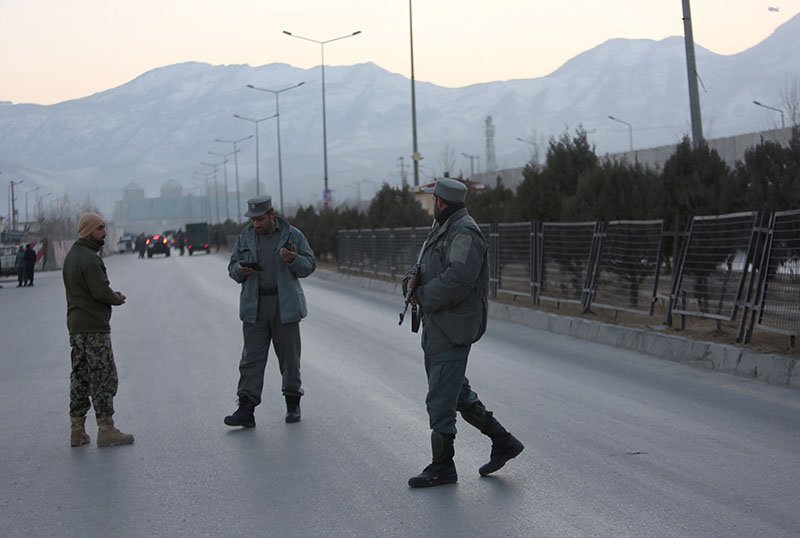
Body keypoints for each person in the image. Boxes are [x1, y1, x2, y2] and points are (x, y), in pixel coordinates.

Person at [403, 178, 524, 488]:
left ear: (442, 202)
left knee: (441, 397)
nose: (432, 204)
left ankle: (443, 466)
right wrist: (411, 284)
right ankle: (503, 440)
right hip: (439, 324)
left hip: (453, 325)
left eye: (434, 200)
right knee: (455, 391)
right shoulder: (443, 228)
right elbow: (429, 267)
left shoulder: (464, 231)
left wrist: (424, 295)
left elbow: (458, 278)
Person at [224, 196, 316, 428]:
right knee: (251, 359)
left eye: (260, 219)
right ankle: (246, 408)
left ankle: (292, 403)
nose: (256, 224)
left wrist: (294, 259)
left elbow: (309, 265)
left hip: (284, 304)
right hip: (255, 306)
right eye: (253, 220)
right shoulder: (245, 237)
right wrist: (240, 269)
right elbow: (232, 268)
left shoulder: (291, 235)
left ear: (271, 215)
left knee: (289, 359)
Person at [62, 213, 134, 448]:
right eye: (100, 229)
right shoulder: (89, 259)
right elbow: (100, 291)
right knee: (102, 377)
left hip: (76, 326)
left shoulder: (72, 256)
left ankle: (77, 430)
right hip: (94, 327)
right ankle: (106, 429)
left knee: (80, 377)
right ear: (88, 231)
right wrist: (116, 298)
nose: (104, 233)